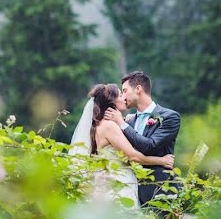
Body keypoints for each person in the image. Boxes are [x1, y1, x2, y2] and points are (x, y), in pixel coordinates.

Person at [70, 83, 174, 209]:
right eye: (120, 94)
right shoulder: (109, 126)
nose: (124, 97)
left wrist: (123, 121)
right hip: (118, 185)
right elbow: (132, 156)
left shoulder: (100, 124)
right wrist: (162, 160)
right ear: (112, 102)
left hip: (110, 182)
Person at [103, 71, 181, 209]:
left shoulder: (170, 117)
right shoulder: (129, 121)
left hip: (160, 191)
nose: (123, 96)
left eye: (125, 91)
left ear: (138, 89)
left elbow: (150, 146)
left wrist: (122, 124)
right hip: (130, 191)